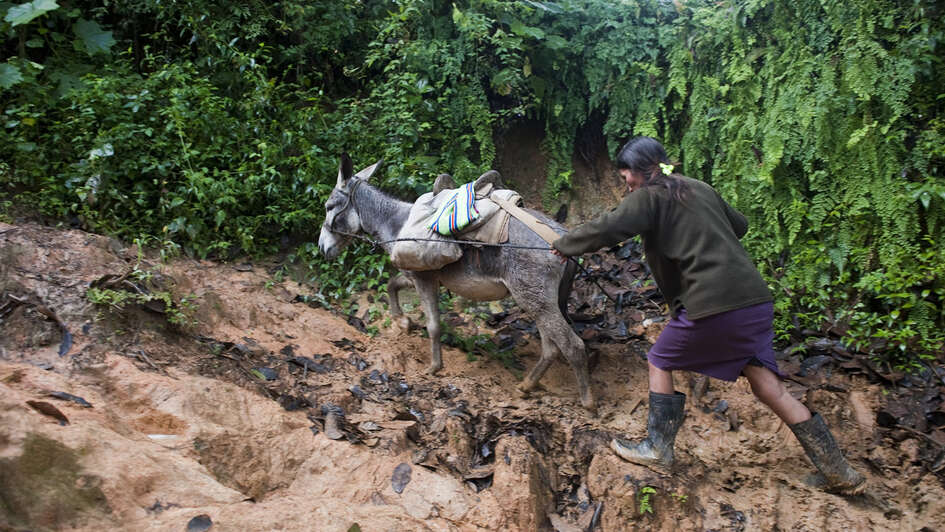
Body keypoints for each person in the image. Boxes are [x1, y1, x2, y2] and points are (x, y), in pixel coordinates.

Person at [551, 136, 865, 494]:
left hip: (714, 303)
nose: (626, 183)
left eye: (627, 176)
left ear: (643, 170)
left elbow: (609, 228)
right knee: (768, 386)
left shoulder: (649, 197)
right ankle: (839, 472)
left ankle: (657, 448)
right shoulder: (698, 187)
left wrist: (565, 244)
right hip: (754, 302)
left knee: (660, 360)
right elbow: (740, 225)